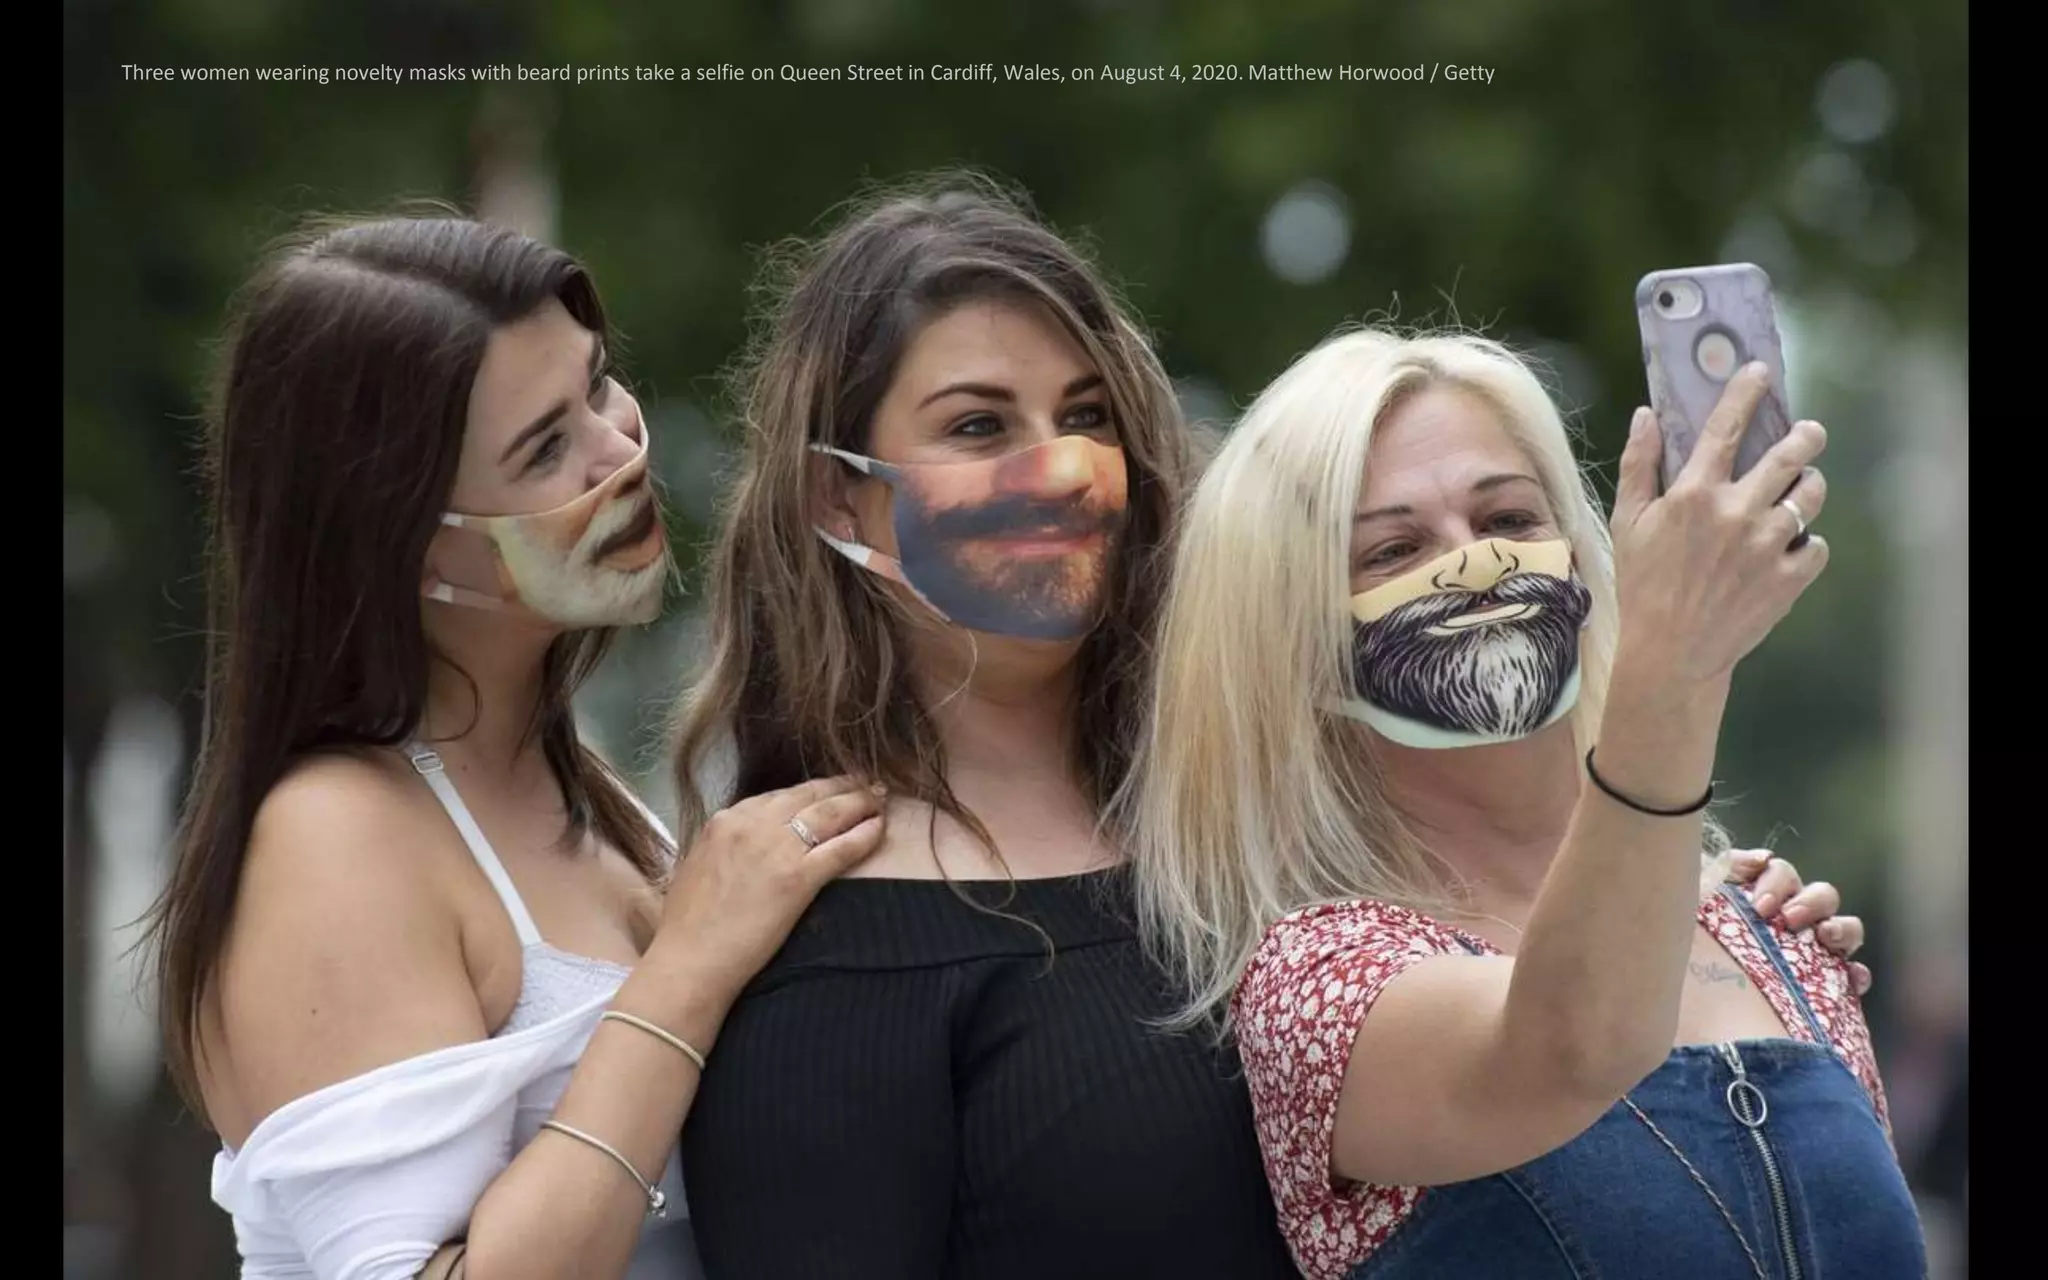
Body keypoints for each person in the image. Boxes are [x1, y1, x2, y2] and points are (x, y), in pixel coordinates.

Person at [667, 175, 1869, 1278]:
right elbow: (1555, 1042)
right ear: (837, 494)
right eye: (978, 425)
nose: (1057, 467)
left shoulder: (1228, 864)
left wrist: (1689, 901)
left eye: (1086, 413)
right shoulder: (835, 919)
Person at [141, 213, 884, 1280]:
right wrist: (687, 969)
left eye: (597, 383)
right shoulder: (335, 835)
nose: (618, 444)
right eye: (545, 445)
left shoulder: (579, 792)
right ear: (399, 536)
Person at [1122, 326, 1926, 1278]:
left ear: (1580, 557)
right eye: (1394, 548)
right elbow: (1572, 1045)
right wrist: (1672, 668)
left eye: (1506, 519)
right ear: (1291, 640)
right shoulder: (1315, 980)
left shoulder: (1769, 930)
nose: (1475, 565)